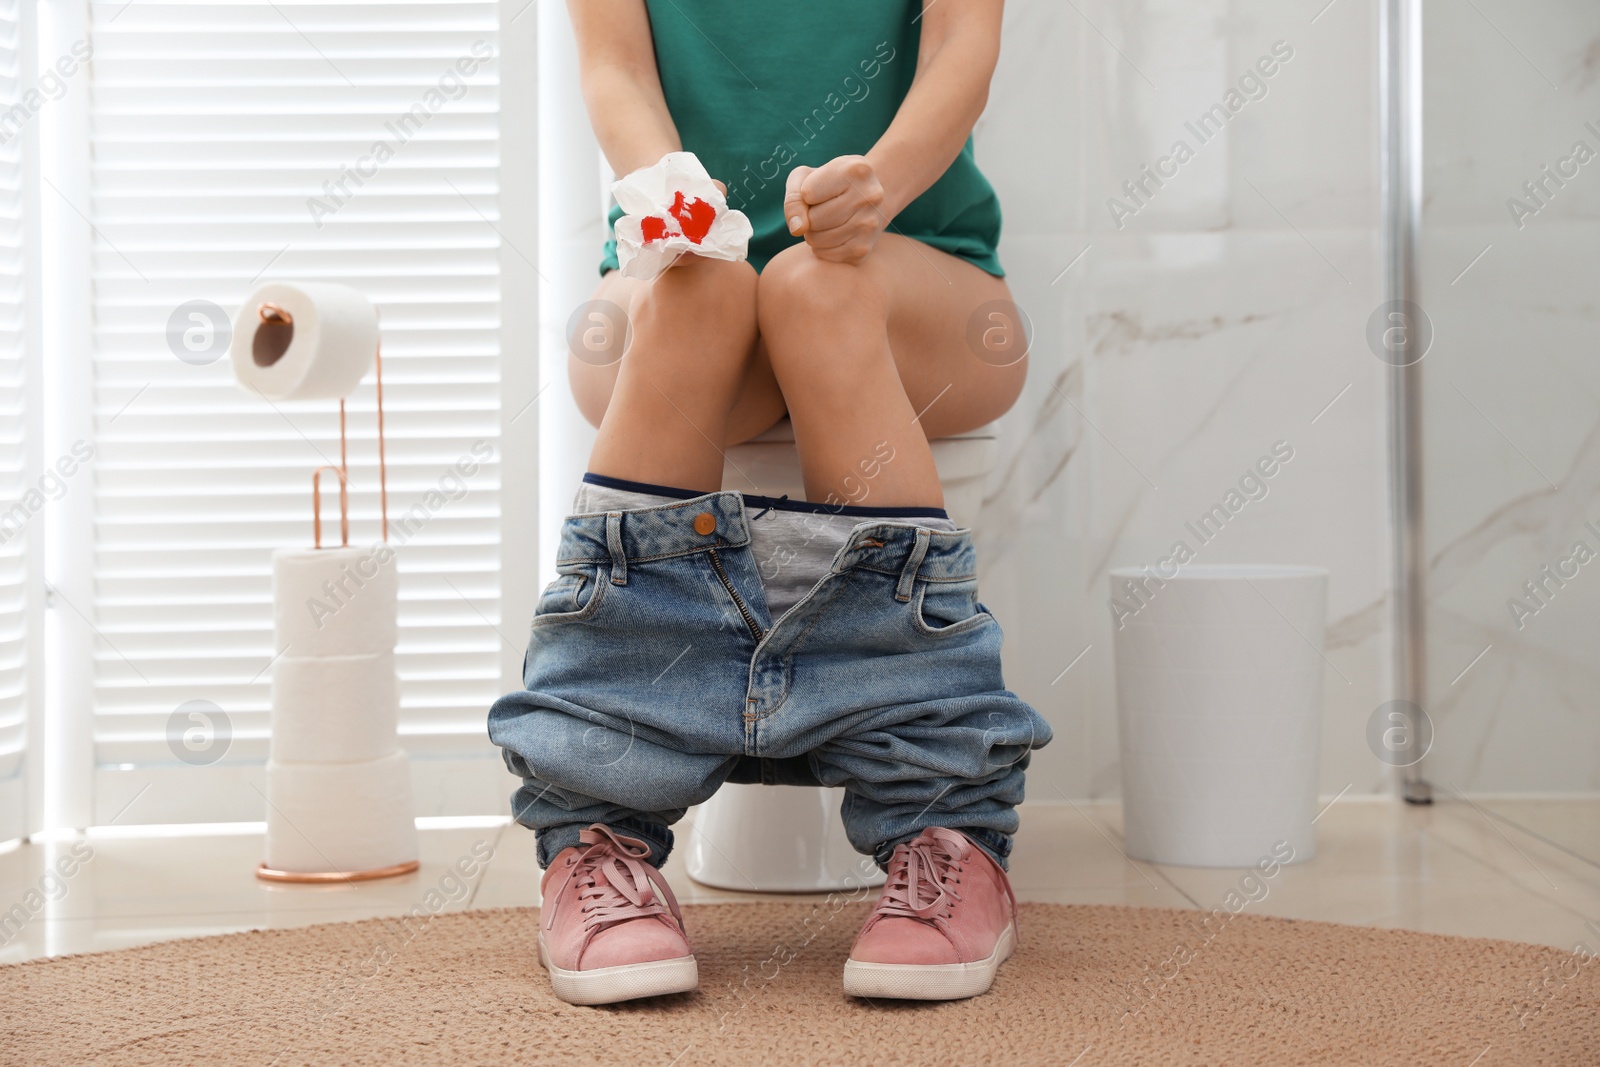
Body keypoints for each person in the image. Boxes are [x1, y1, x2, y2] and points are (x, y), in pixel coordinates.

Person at [488, 0, 1050, 1006]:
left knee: (814, 292)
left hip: (919, 279)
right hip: (672, 265)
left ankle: (947, 834)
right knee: (701, 293)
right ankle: (597, 836)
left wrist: (877, 183)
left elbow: (965, 44)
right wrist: (670, 185)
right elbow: (610, 64)